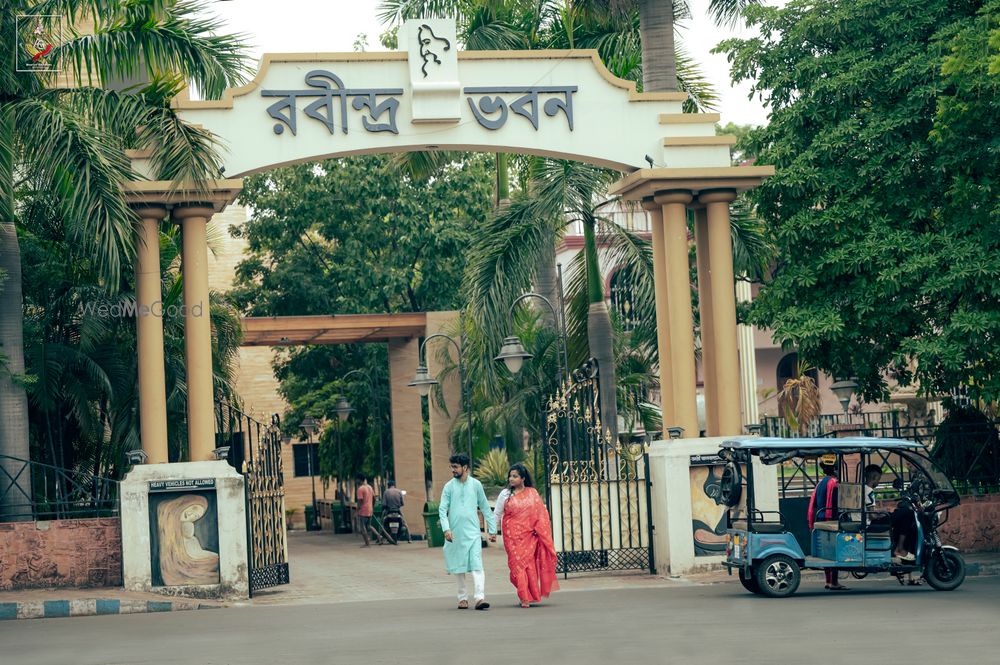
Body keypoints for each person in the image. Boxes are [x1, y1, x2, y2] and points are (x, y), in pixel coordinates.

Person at [495, 463, 559, 608]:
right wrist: (493, 531)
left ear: (523, 478)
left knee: (528, 565)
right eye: (510, 476)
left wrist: (540, 530)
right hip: (511, 535)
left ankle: (527, 596)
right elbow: (497, 513)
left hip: (529, 535)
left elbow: (541, 513)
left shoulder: (532, 493)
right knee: (517, 565)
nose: (511, 479)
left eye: (515, 476)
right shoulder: (505, 494)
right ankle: (524, 595)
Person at [439, 454, 496, 610]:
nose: (453, 470)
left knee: (477, 565)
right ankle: (462, 598)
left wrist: (492, 530)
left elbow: (485, 507)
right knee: (459, 567)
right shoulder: (449, 487)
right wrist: (446, 529)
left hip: (473, 533)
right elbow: (442, 509)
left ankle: (479, 598)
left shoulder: (476, 485)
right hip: (455, 534)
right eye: (451, 466)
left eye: (455, 467)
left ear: (465, 467)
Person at [808, 455, 847, 591]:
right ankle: (834, 582)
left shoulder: (821, 483)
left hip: (820, 519)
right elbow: (836, 504)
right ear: (835, 468)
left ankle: (828, 581)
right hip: (831, 520)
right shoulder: (834, 483)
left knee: (826, 552)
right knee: (834, 552)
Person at [355, 476, 381, 547]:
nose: (356, 481)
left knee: (363, 527)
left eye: (356, 479)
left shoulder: (360, 489)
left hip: (363, 510)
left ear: (360, 480)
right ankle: (379, 536)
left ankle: (367, 543)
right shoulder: (370, 487)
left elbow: (360, 501)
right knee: (369, 526)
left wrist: (357, 511)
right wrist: (372, 506)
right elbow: (374, 498)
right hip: (370, 509)